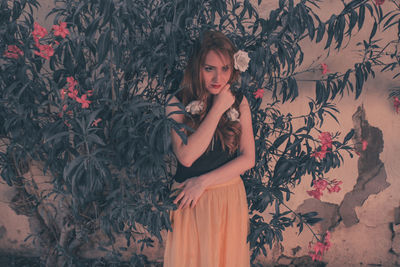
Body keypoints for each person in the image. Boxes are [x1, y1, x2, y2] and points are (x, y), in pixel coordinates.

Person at [164, 30, 255, 267]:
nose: (218, 77)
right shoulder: (176, 102)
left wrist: (202, 182)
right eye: (209, 68)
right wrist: (217, 108)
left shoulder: (239, 101)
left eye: (225, 69)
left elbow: (248, 159)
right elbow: (186, 156)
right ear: (197, 68)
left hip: (228, 198)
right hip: (189, 202)